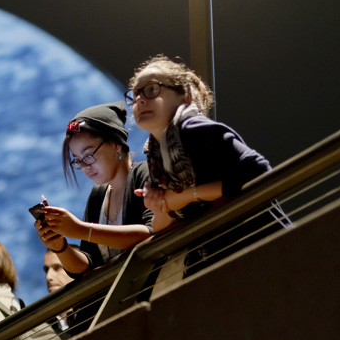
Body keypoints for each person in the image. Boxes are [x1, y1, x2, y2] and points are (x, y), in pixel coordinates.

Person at [126, 55, 289, 271]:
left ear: (185, 96)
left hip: (261, 250)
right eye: (135, 95)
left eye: (152, 90)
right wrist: (160, 206)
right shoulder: (155, 155)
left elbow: (259, 172)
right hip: (217, 262)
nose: (140, 100)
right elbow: (161, 227)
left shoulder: (195, 129)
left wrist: (184, 196)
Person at [36, 102, 154, 277]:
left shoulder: (145, 173)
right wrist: (60, 247)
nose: (84, 167)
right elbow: (87, 264)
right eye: (77, 160)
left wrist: (82, 230)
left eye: (89, 155)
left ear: (116, 143)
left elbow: (151, 234)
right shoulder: (99, 194)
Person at [43, 250, 74, 340]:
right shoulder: (40, 327)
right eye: (46, 270)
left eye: (57, 268)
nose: (48, 277)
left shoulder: (99, 310)